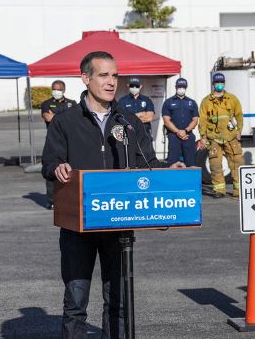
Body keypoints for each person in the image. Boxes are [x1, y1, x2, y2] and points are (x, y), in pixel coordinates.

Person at [41, 51, 178, 338]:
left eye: (115, 75)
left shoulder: (128, 122)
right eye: (103, 75)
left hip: (118, 223)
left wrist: (169, 169)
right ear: (85, 78)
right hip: (78, 225)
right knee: (76, 303)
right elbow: (49, 163)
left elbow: (147, 164)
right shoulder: (64, 121)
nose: (111, 82)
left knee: (117, 301)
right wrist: (59, 168)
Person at [198, 72, 244, 198]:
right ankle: (219, 190)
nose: (219, 85)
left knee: (236, 163)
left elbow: (239, 116)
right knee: (215, 164)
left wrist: (239, 130)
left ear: (224, 83)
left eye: (221, 82)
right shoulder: (206, 101)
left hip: (231, 137)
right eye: (217, 82)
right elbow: (202, 120)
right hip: (214, 138)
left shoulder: (232, 99)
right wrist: (203, 136)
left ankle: (238, 190)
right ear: (213, 84)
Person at [40, 80, 78, 210]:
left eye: (59, 89)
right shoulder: (46, 104)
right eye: (54, 89)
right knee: (52, 169)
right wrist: (64, 116)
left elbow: (75, 120)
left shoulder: (72, 103)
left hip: (71, 141)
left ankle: (70, 197)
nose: (56, 92)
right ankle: (51, 200)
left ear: (64, 90)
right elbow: (48, 118)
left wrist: (56, 116)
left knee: (70, 169)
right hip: (53, 141)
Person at [162, 78, 199, 167]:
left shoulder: (192, 102)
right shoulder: (168, 102)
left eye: (183, 87)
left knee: (191, 163)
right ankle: (172, 180)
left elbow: (195, 120)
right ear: (175, 87)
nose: (181, 89)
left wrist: (185, 131)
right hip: (173, 136)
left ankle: (190, 180)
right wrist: (178, 132)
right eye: (179, 87)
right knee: (173, 163)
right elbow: (166, 121)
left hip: (188, 135)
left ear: (186, 88)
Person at [117, 77, 155, 143]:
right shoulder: (122, 101)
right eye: (132, 86)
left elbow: (149, 117)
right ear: (128, 86)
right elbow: (122, 118)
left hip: (144, 135)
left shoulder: (147, 100)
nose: (134, 88)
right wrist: (140, 115)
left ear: (140, 86)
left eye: (136, 86)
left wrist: (131, 117)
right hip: (129, 135)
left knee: (146, 153)